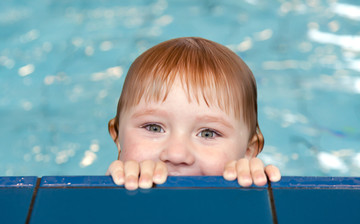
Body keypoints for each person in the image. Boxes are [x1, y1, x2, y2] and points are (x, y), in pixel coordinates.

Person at [106, 37, 281, 190]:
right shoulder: (108, 196)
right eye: (154, 128)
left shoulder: (254, 197)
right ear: (118, 136)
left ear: (248, 151)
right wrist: (107, 195)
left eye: (208, 133)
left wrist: (256, 192)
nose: (176, 155)